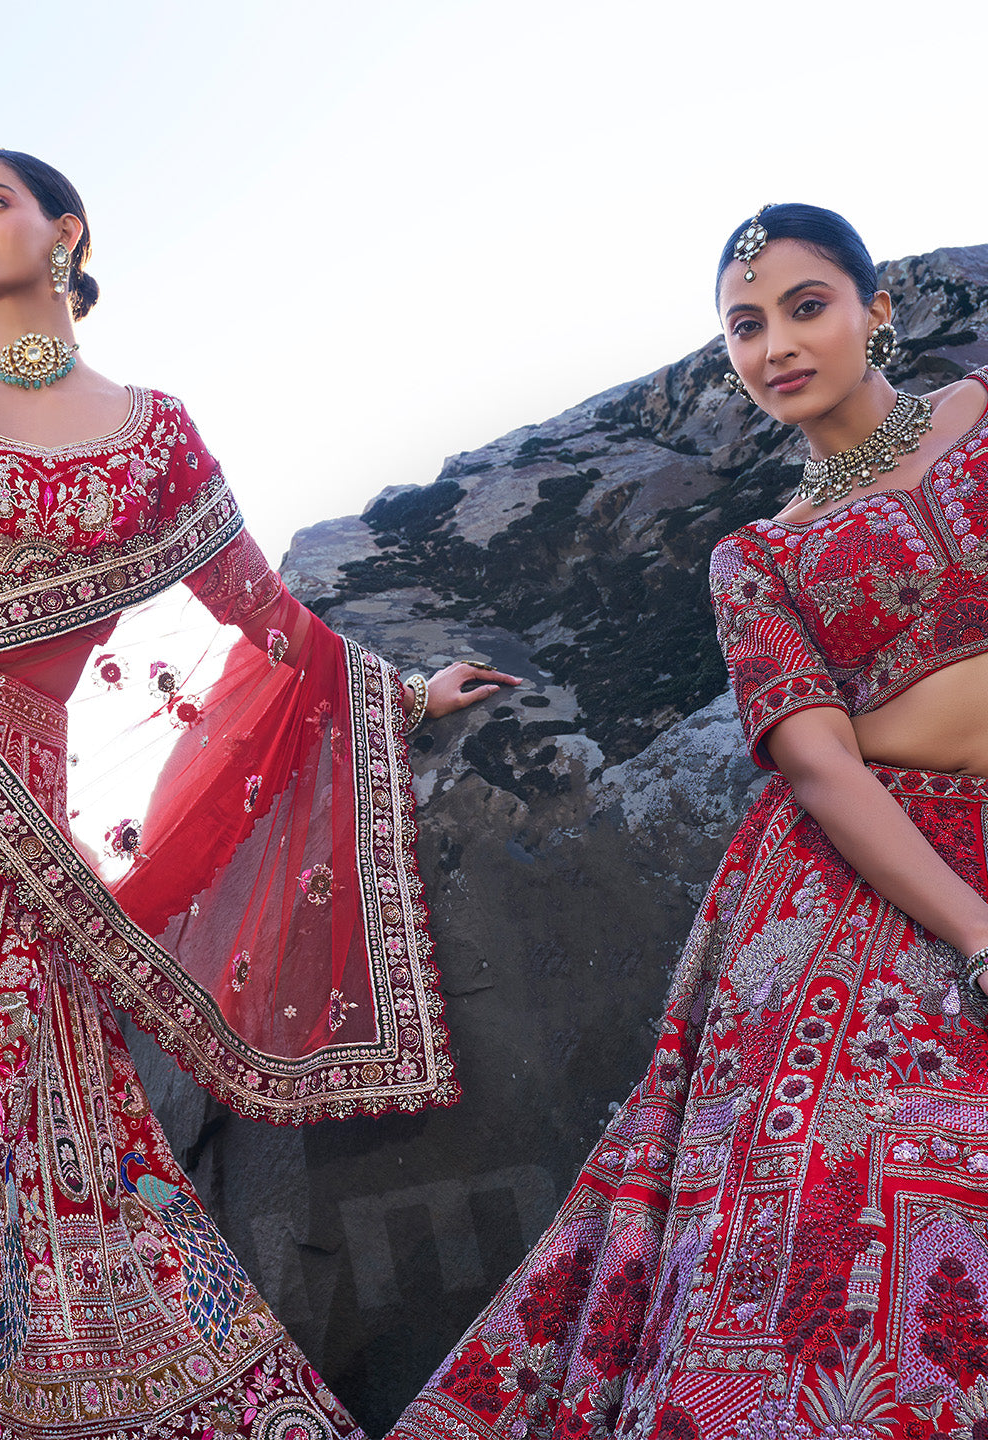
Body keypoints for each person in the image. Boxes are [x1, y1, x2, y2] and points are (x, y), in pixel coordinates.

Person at [0, 146, 517, 1439]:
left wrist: (402, 696)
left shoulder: (157, 430)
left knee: (29, 1155)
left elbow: (263, 619)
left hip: (23, 850)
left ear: (66, 229)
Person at [384, 204, 988, 1440]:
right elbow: (818, 764)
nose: (776, 345)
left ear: (879, 309)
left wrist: (885, 726)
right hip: (865, 878)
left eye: (806, 306)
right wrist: (977, 936)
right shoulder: (756, 557)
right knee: (850, 1181)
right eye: (745, 328)